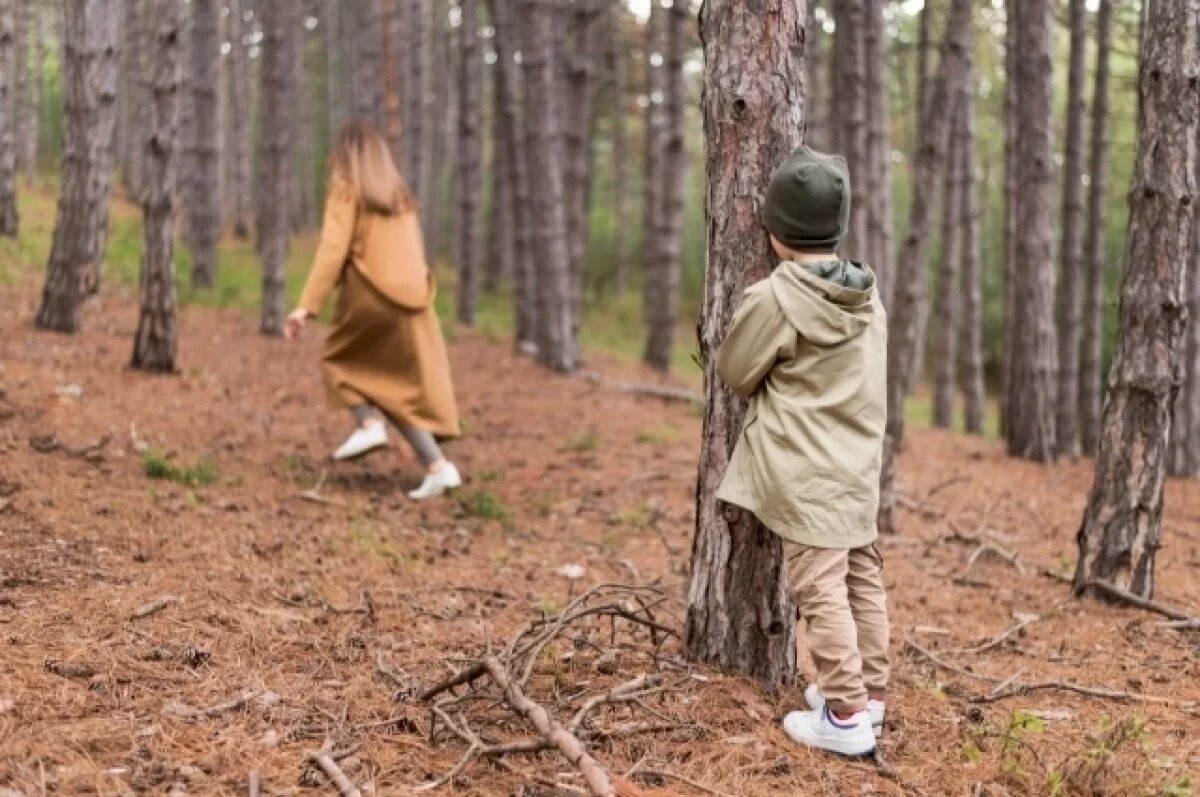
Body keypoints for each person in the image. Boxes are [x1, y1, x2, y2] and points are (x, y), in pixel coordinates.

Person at [714, 146, 889, 757]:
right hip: (859, 467)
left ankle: (844, 717)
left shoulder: (775, 297)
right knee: (862, 579)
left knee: (820, 589)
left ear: (773, 230)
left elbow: (736, 372)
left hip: (808, 473)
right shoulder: (868, 297)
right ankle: (870, 697)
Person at [284, 120, 462, 501]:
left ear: (345, 155)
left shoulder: (347, 190)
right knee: (391, 386)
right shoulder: (399, 198)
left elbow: (332, 250)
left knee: (337, 361)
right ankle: (438, 467)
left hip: (372, 300)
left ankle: (368, 425)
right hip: (414, 303)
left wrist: (306, 306)